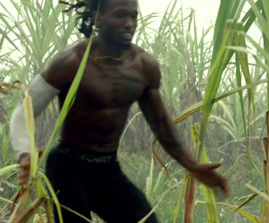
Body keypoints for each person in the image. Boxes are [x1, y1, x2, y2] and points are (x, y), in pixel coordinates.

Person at [9, 0, 230, 222]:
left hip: (107, 169)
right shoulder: (71, 61)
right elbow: (24, 111)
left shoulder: (143, 67)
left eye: (133, 16)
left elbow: (161, 124)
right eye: (120, 15)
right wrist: (25, 154)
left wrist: (192, 165)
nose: (129, 23)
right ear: (97, 17)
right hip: (68, 168)